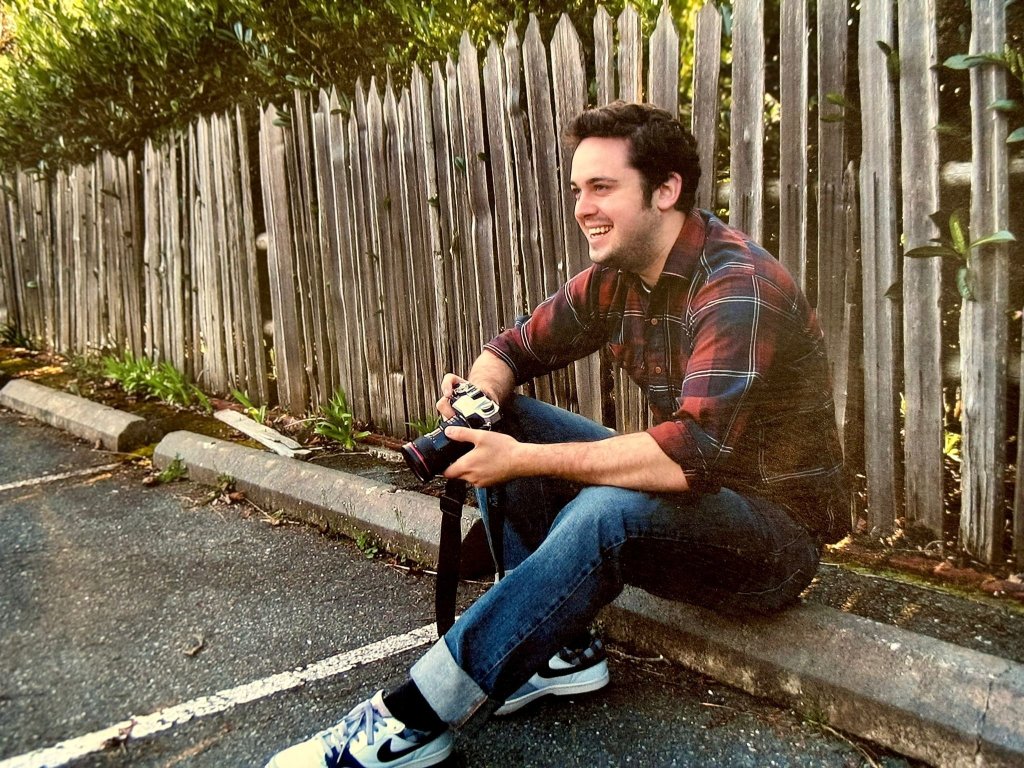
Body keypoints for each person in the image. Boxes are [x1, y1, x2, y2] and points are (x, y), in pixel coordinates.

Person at [265, 100, 847, 768]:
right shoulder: (618, 278)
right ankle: (559, 651)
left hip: (771, 547)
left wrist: (521, 462)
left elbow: (689, 455)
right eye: (578, 190)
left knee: (606, 510)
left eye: (603, 188)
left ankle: (413, 720)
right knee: (504, 414)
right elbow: (510, 351)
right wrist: (475, 400)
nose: (582, 208)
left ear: (666, 190)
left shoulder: (737, 286)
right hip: (700, 505)